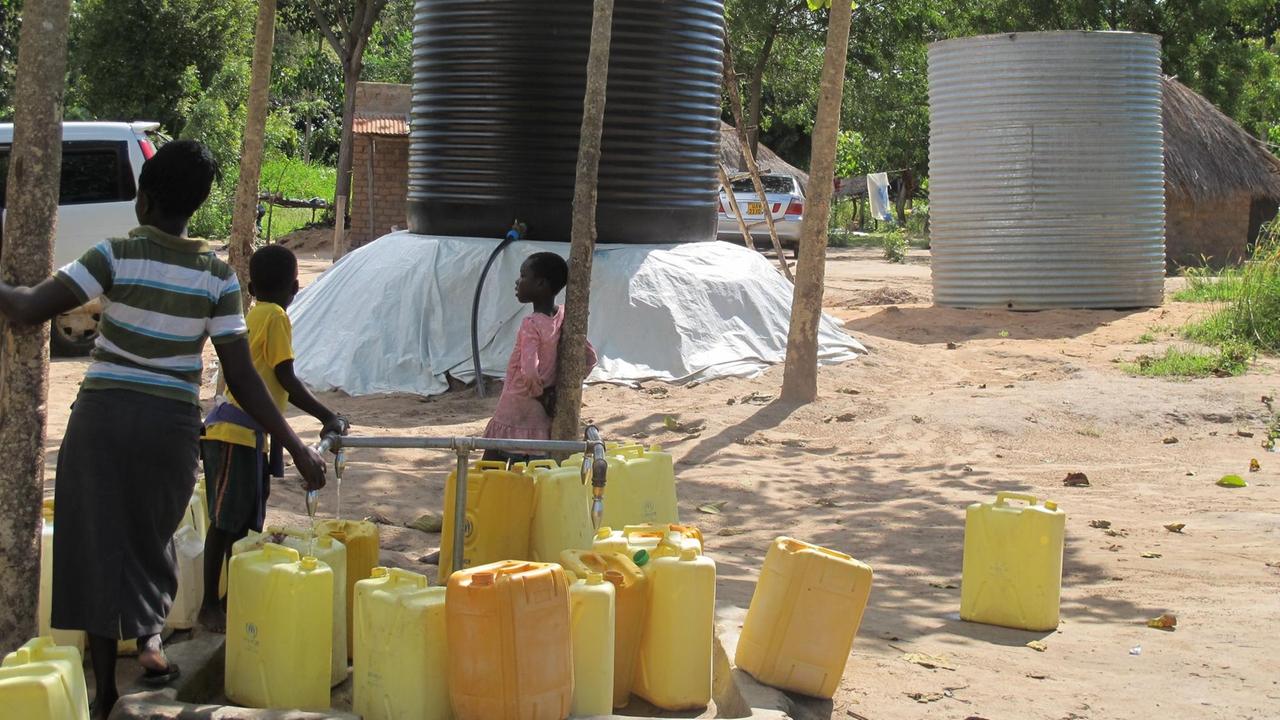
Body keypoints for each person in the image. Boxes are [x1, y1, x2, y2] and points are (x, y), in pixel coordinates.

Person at [0, 140, 327, 719]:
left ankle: (104, 694)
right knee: (151, 541)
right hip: (171, 430)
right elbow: (245, 379)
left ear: (143, 200)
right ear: (194, 206)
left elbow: (28, 308)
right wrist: (295, 443)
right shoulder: (218, 277)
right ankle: (149, 644)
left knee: (97, 543)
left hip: (101, 420)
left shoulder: (113, 256)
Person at [199, 244, 347, 632]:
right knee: (226, 522)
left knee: (246, 522)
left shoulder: (254, 314)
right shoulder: (277, 317)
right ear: (295, 287)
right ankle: (208, 604)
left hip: (245, 434)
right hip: (234, 433)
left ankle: (235, 595)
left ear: (250, 285)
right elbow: (286, 380)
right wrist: (327, 414)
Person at [481, 251, 597, 462]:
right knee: (538, 464)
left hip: (516, 404)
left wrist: (539, 393)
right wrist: (557, 389)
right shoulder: (563, 316)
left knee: (491, 460)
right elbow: (589, 357)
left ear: (541, 284)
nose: (518, 281)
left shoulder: (531, 324)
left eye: (524, 276)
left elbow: (529, 369)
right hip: (541, 414)